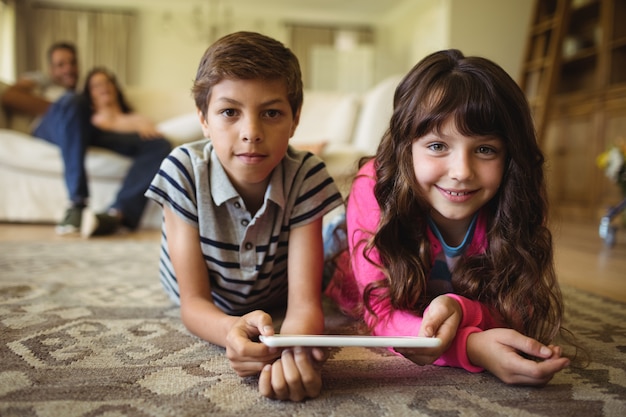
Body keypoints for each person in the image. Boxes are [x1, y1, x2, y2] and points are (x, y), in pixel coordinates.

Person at [326, 49, 571, 386]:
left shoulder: (518, 198)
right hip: (338, 245)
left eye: (485, 149)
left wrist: (460, 309)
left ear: (510, 157)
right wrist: (469, 346)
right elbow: (380, 314)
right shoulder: (375, 186)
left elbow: (518, 308)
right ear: (405, 148)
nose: (461, 172)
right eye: (438, 146)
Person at [145, 32, 343, 401]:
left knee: (340, 249)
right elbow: (195, 304)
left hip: (275, 292)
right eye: (229, 112)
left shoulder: (307, 174)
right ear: (203, 119)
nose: (251, 133)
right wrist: (230, 332)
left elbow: (303, 304)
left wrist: (290, 351)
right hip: (208, 293)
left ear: (295, 120)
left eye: (271, 113)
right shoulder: (183, 170)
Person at [0, 42, 171, 236]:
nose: (68, 68)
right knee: (73, 101)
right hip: (52, 129)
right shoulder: (44, 83)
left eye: (72, 63)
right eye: (60, 64)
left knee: (158, 145)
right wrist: (61, 107)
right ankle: (77, 202)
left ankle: (118, 214)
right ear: (50, 69)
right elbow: (9, 97)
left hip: (86, 129)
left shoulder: (85, 95)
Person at [78, 67, 172, 236]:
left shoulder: (136, 118)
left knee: (160, 144)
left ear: (115, 88)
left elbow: (152, 131)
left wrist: (129, 123)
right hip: (96, 136)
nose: (104, 87)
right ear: (90, 94)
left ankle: (116, 214)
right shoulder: (86, 118)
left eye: (107, 82)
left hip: (127, 141)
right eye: (97, 85)